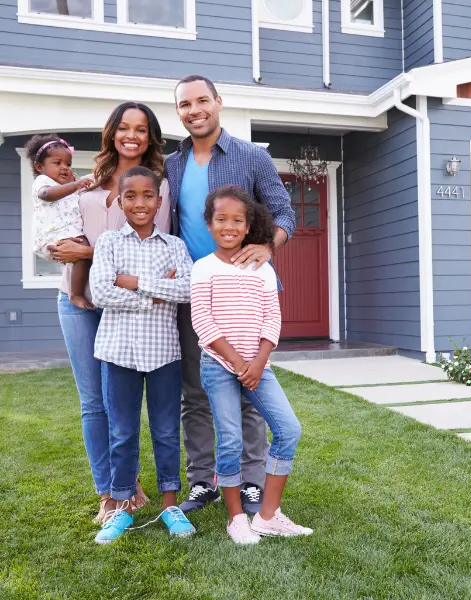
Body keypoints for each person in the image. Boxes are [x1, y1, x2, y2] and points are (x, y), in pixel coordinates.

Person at [166, 74, 295, 515]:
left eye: (202, 100)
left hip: (246, 294)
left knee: (250, 390)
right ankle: (203, 482)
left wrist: (268, 244)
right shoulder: (172, 164)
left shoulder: (250, 157)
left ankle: (252, 481)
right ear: (178, 112)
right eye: (185, 104)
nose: (194, 109)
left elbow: (283, 212)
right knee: (196, 393)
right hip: (196, 294)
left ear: (218, 102)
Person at [50, 102, 171, 523]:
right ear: (112, 132)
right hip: (77, 298)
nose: (131, 135)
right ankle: (110, 490)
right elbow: (62, 231)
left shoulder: (159, 186)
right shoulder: (86, 180)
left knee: (119, 401)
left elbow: (153, 253)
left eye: (140, 129)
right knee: (91, 403)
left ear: (150, 136)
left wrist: (86, 250)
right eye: (123, 127)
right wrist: (61, 248)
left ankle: (126, 479)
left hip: (124, 307)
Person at [192, 185, 311, 544]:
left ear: (248, 227)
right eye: (221, 219)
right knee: (230, 440)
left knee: (288, 430)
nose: (229, 226)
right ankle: (235, 518)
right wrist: (239, 362)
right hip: (218, 365)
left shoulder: (263, 269)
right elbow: (203, 322)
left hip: (259, 366)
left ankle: (268, 515)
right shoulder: (203, 268)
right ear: (209, 224)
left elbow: (272, 320)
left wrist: (258, 363)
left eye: (237, 220)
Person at [91, 166, 195, 544]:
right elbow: (101, 293)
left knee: (167, 431)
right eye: (130, 196)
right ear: (120, 201)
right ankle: (120, 506)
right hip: (118, 352)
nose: (139, 203)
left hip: (164, 352)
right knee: (122, 432)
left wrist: (134, 284)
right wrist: (156, 293)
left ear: (159, 200)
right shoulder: (108, 243)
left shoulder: (175, 247)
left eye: (147, 196)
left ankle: (170, 504)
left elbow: (186, 290)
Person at [25, 135, 92, 309]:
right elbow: (47, 195)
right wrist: (75, 185)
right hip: (52, 235)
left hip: (67, 232)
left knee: (83, 253)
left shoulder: (66, 186)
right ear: (40, 167)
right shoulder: (43, 182)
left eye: (68, 164)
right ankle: (76, 294)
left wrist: (75, 186)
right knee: (82, 253)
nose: (64, 168)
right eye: (57, 163)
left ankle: (78, 292)